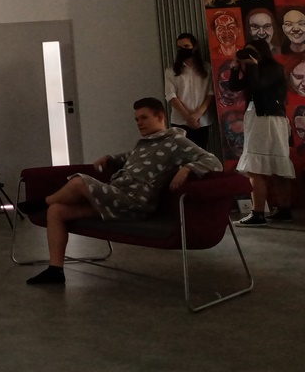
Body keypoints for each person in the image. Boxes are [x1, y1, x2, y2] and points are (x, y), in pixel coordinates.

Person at [19, 97, 221, 285]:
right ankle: (55, 271)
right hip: (118, 196)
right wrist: (110, 159)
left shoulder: (176, 142)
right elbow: (130, 157)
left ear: (160, 117)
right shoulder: (146, 143)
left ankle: (42, 202)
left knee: (79, 181)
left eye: (144, 118)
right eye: (136, 119)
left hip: (135, 202)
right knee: (56, 211)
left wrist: (187, 169)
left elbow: (212, 161)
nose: (139, 123)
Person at [229, 40, 296, 225]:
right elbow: (234, 87)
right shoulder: (254, 70)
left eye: (252, 52)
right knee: (264, 166)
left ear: (262, 53)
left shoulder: (274, 69)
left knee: (263, 167)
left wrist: (253, 66)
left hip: (269, 119)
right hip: (258, 117)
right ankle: (280, 210)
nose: (249, 56)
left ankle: (260, 213)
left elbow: (258, 85)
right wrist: (235, 68)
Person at [163, 33, 214, 149]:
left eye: (186, 46)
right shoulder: (171, 71)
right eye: (180, 47)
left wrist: (197, 114)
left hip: (202, 120)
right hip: (180, 121)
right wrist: (188, 118)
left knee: (201, 154)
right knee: (182, 155)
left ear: (194, 47)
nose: (183, 50)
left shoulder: (207, 68)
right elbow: (171, 96)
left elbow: (211, 93)